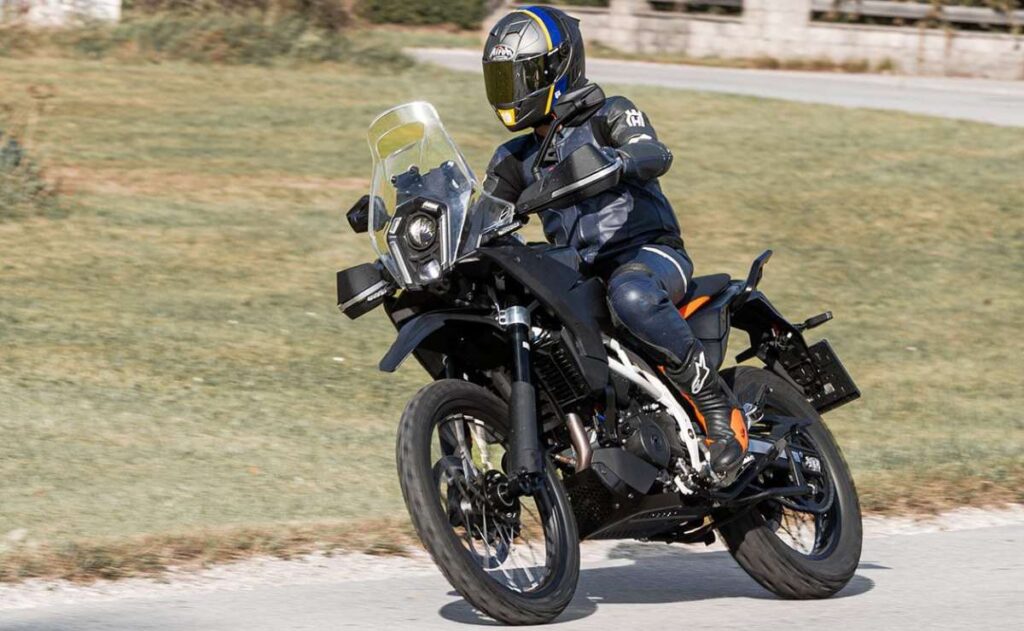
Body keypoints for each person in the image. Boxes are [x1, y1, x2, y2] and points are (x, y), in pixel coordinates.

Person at [480, 5, 748, 480]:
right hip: (579, 272)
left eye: (521, 77)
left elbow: (652, 151)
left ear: (558, 68)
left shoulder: (609, 113)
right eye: (503, 80)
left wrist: (620, 160)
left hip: (649, 253)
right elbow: (483, 215)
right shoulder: (514, 158)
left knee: (631, 295)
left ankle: (716, 405)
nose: (513, 91)